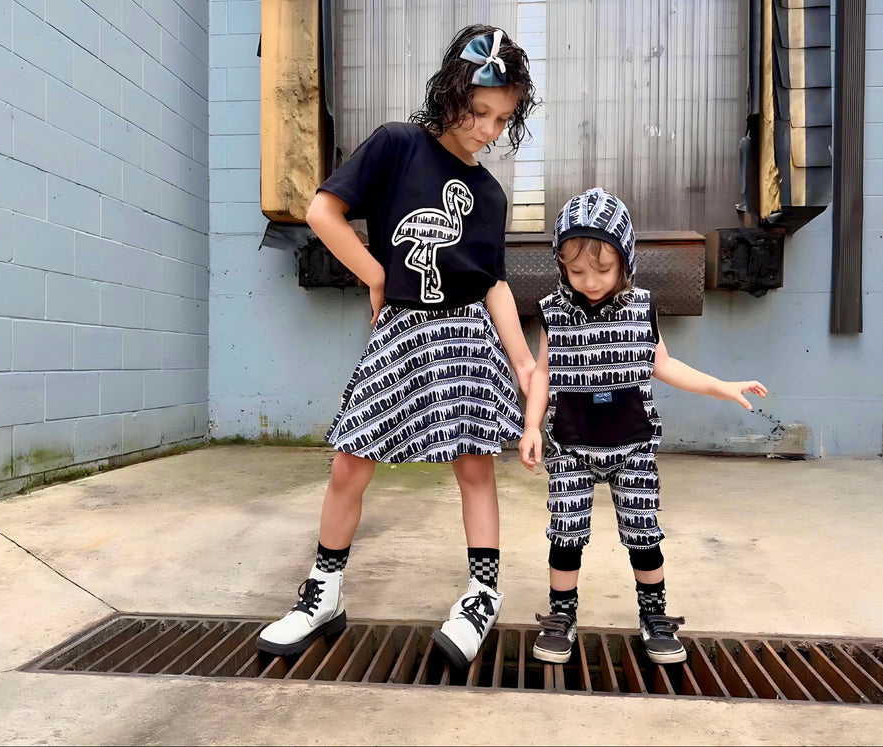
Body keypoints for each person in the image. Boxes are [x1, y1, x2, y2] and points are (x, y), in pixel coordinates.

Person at [256, 25, 539, 670]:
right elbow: (323, 211)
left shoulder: (490, 195)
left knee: (475, 468)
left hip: (467, 337)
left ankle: (482, 597)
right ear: (451, 93)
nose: (488, 129)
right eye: (479, 110)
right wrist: (376, 275)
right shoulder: (396, 145)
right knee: (349, 461)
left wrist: (523, 362)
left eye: (502, 119)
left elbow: (492, 282)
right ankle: (323, 593)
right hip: (401, 329)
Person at [519, 188, 768, 665]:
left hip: (632, 444)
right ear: (561, 265)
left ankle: (654, 616)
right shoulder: (554, 311)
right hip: (570, 444)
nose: (590, 282)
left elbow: (665, 365)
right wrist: (531, 426)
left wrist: (720, 386)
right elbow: (544, 372)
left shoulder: (641, 308)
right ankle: (561, 616)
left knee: (643, 533)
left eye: (603, 270)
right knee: (565, 533)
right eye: (576, 272)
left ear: (625, 260)